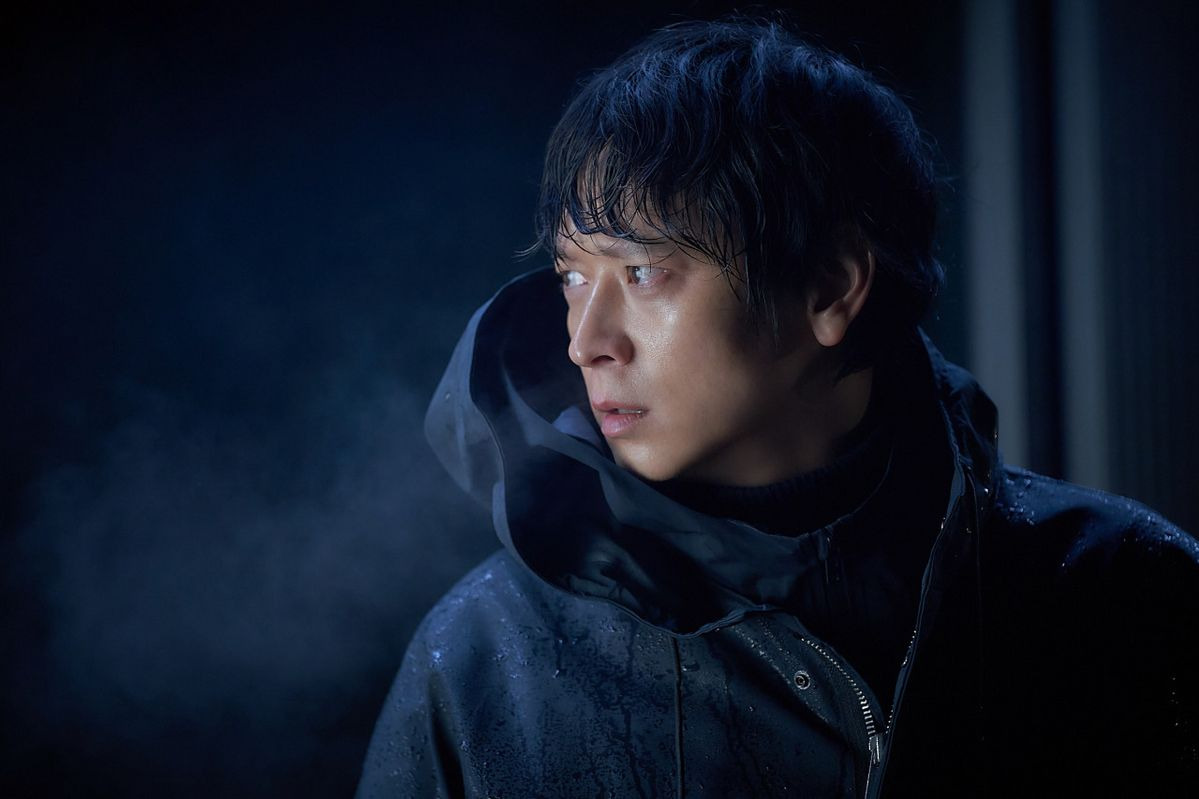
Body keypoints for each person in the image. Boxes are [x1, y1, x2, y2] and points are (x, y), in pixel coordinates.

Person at [357, 18, 1198, 798]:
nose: (585, 341)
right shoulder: (484, 662)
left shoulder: (1122, 593)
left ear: (829, 286)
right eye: (573, 277)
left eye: (643, 272)